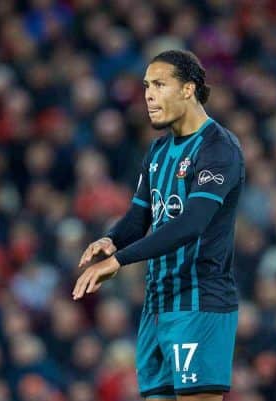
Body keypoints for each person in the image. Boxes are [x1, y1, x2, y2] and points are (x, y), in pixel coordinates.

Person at [72, 50, 245, 401]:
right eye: (146, 85)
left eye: (160, 84)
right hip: (157, 306)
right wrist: (111, 240)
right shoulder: (157, 151)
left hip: (199, 303)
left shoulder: (218, 148)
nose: (149, 95)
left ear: (188, 89)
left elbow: (191, 224)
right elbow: (139, 217)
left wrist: (119, 261)